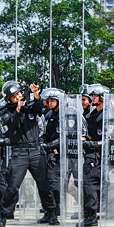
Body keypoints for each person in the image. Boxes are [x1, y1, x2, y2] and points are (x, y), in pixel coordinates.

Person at [0, 81, 58, 227]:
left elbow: (39, 108)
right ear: (9, 98)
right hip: (19, 152)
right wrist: (17, 109)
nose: (18, 96)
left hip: (36, 150)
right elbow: (10, 124)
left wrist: (36, 94)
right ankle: (4, 214)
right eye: (14, 96)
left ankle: (51, 212)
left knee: (44, 184)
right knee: (13, 184)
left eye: (19, 93)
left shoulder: (29, 107)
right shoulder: (6, 111)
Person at [80, 84, 106, 227]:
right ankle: (90, 214)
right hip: (93, 154)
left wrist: (95, 143)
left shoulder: (109, 114)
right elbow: (90, 134)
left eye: (95, 96)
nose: (93, 98)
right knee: (88, 182)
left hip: (106, 154)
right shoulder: (91, 115)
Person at [41, 88, 63, 218]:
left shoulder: (63, 116)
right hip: (49, 153)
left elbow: (62, 136)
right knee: (47, 182)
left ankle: (56, 207)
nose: (49, 103)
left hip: (58, 153)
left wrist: (49, 145)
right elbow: (47, 134)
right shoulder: (50, 115)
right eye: (48, 100)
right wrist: (41, 141)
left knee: (54, 181)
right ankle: (50, 209)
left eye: (52, 100)